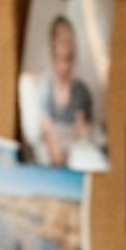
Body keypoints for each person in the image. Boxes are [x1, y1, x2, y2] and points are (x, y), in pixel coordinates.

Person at [23, 14, 99, 168]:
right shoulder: (43, 87)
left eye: (70, 40)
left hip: (74, 155)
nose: (67, 45)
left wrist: (71, 148)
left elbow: (82, 132)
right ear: (53, 47)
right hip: (49, 155)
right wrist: (57, 154)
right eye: (61, 40)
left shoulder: (82, 92)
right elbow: (45, 130)